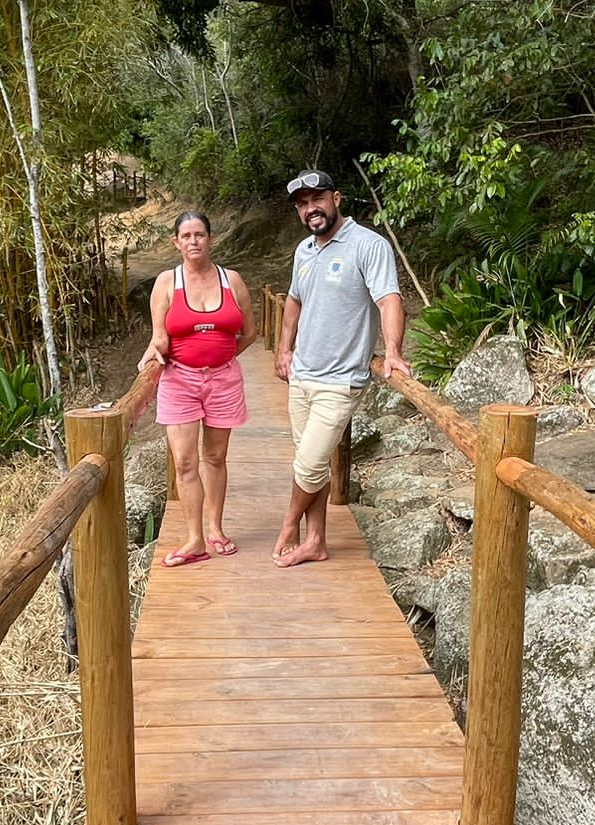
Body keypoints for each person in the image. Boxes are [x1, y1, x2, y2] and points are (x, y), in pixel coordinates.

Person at [272, 169, 410, 568]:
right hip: (303, 375)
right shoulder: (304, 251)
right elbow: (294, 300)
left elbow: (388, 299)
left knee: (310, 464)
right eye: (301, 204)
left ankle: (288, 525)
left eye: (317, 199)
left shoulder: (368, 245)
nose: (310, 209)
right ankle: (315, 540)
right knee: (309, 464)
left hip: (340, 379)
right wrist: (284, 349)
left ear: (336, 198)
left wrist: (394, 351)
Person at [138, 210, 256, 567]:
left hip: (223, 379)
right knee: (185, 461)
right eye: (186, 236)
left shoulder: (231, 280)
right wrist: (152, 357)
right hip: (179, 380)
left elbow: (249, 332)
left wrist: (218, 357)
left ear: (210, 239)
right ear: (176, 242)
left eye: (200, 234)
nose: (194, 241)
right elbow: (160, 336)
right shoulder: (166, 283)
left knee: (216, 457)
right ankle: (194, 538)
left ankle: (216, 528)